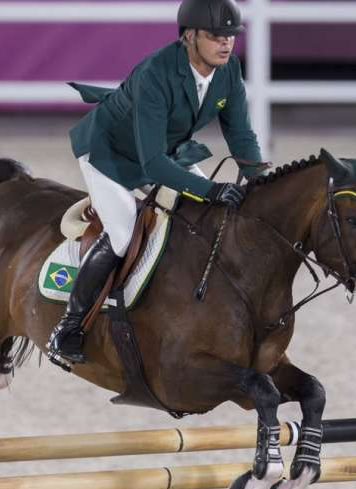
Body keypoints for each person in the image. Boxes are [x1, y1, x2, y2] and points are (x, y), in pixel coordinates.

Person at [47, 0, 265, 365]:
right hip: (110, 153)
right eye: (216, 36)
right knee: (122, 232)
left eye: (230, 36)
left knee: (201, 221)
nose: (226, 44)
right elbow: (152, 164)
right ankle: (69, 327)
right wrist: (211, 190)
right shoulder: (156, 73)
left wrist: (259, 180)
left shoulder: (228, 70)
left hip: (166, 152)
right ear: (190, 36)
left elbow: (241, 134)